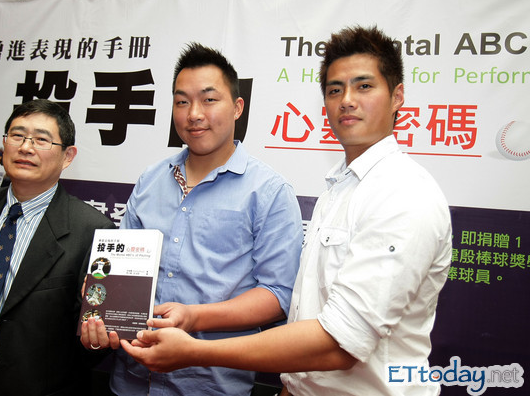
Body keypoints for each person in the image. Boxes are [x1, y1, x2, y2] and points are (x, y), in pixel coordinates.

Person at [121, 26, 453, 396]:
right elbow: (310, 313)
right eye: (334, 90)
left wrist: (195, 348)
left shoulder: (403, 193)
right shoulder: (340, 188)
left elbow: (341, 341)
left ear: (397, 97)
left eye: (363, 86)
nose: (347, 101)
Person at [80, 43, 303, 395]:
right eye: (182, 102)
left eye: (209, 100)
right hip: (130, 380)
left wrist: (194, 316)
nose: (194, 114)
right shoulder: (150, 181)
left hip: (210, 384)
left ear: (238, 107)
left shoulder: (270, 191)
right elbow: (118, 273)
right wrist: (100, 304)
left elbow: (278, 295)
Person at [0, 99, 115, 395]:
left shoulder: (92, 230)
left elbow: (90, 341)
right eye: (17, 135)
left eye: (41, 139)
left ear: (67, 156)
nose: (26, 147)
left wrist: (96, 339)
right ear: (5, 144)